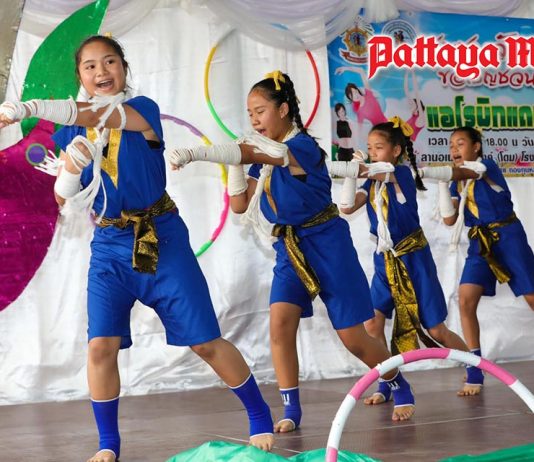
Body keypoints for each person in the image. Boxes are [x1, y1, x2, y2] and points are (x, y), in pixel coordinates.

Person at [0, 35, 274, 462]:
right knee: (100, 346)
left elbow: (101, 115)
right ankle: (108, 444)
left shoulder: (142, 110)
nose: (101, 71)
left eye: (110, 61)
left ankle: (259, 415)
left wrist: (30, 107)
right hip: (109, 246)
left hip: (162, 238)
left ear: (124, 68)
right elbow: (63, 198)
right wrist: (69, 170)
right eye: (90, 66)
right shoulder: (72, 129)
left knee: (205, 342)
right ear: (80, 76)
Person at [170, 71, 416, 433]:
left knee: (354, 339)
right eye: (250, 113)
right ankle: (290, 409)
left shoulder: (302, 148)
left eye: (260, 111)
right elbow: (239, 205)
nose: (254, 119)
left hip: (328, 243)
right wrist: (234, 163)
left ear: (284, 110)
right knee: (280, 324)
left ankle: (398, 382)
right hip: (290, 247)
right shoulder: (263, 155)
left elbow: (264, 154)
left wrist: (198, 153)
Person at [332, 118, 479, 401]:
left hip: (415, 261)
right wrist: (351, 175)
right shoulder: (371, 180)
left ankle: (475, 369)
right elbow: (347, 208)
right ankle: (388, 382)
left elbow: (379, 172)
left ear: (396, 150)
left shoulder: (401, 174)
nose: (373, 153)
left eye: (379, 147)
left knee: (436, 329)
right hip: (385, 262)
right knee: (373, 324)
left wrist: (355, 168)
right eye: (370, 148)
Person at [420, 126, 534, 394]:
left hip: (508, 236)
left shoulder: (486, 166)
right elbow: (449, 220)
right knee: (466, 299)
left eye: (460, 143)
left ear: (476, 147)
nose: (454, 149)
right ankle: (475, 369)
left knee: (531, 298)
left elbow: (470, 172)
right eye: (451, 145)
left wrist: (435, 173)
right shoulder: (455, 179)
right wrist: (442, 184)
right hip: (479, 242)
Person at [404, 70, 426, 142]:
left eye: (412, 104)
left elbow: (416, 92)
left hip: (410, 145)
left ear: (417, 106)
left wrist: (413, 73)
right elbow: (406, 90)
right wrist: (407, 73)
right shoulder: (413, 116)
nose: (410, 105)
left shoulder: (421, 117)